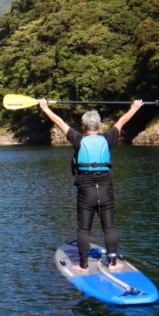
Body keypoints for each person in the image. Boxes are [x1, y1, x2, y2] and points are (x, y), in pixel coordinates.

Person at [38, 98, 145, 271]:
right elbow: (123, 120)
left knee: (84, 229)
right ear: (99, 125)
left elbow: (59, 121)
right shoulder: (109, 137)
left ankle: (83, 265)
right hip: (105, 188)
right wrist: (134, 107)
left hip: (86, 190)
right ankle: (113, 263)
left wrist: (44, 107)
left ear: (83, 126)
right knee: (109, 226)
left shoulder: (77, 139)